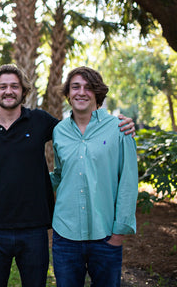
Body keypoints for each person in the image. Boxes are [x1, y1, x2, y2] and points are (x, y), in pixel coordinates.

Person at [0, 64, 135, 287]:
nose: (8, 91)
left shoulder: (42, 122)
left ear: (23, 91)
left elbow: (83, 138)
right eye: (3, 87)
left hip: (36, 229)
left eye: (14, 86)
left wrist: (123, 125)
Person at [51, 66, 138, 287]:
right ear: (68, 94)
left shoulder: (119, 128)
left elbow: (128, 182)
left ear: (97, 93)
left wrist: (119, 233)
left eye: (88, 88)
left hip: (106, 235)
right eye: (76, 87)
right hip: (65, 235)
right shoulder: (59, 131)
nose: (81, 92)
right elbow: (61, 175)